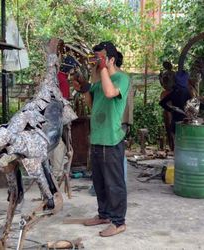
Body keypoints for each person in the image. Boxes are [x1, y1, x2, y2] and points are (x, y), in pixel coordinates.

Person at [74, 41, 129, 237]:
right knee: (99, 182)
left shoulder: (122, 79)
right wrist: (84, 88)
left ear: (111, 59)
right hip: (97, 138)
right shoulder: (99, 81)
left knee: (114, 183)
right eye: (96, 58)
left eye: (101, 58)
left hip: (112, 140)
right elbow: (92, 105)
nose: (97, 62)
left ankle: (118, 222)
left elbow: (109, 92)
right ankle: (104, 215)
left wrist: (103, 68)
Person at [159, 70, 192, 148]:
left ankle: (173, 147)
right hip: (182, 120)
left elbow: (162, 103)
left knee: (177, 140)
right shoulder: (185, 92)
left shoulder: (174, 92)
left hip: (176, 119)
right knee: (182, 143)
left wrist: (171, 110)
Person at [116, 51, 133, 183]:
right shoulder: (125, 77)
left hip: (117, 121)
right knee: (119, 152)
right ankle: (122, 182)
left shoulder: (119, 79)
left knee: (117, 154)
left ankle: (122, 183)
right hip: (124, 120)